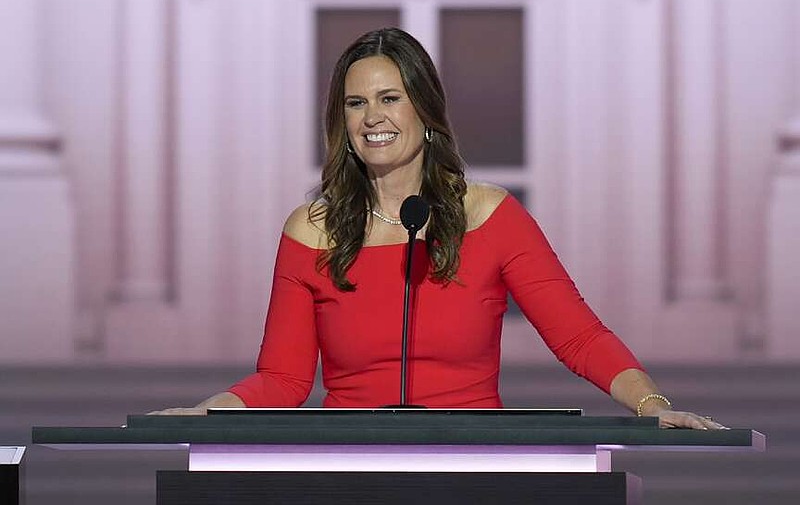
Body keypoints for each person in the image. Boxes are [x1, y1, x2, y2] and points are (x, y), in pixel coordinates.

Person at [153, 28, 724, 430]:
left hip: (475, 466)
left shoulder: (491, 215)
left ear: (424, 111)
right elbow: (283, 379)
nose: (372, 117)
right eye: (355, 103)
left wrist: (649, 402)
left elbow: (579, 338)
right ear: (341, 122)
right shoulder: (312, 231)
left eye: (389, 99)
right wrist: (212, 408)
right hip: (346, 467)